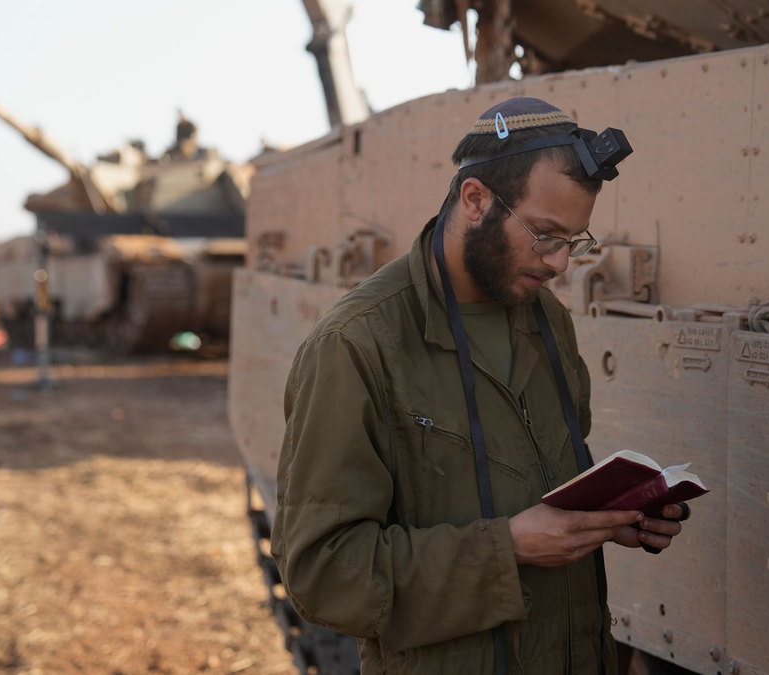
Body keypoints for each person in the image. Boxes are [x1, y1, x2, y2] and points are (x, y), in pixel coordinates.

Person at [272, 97, 690, 675]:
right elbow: (323, 574)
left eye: (574, 240)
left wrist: (610, 518)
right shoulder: (356, 344)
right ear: (475, 200)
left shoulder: (548, 322)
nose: (561, 263)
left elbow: (538, 496)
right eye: (544, 235)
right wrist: (509, 548)